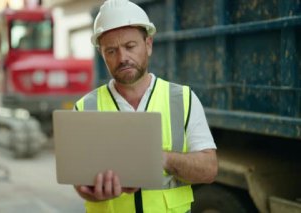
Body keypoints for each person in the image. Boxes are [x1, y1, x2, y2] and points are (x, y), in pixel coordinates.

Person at [73, 0, 218, 212]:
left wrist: (162, 159)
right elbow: (80, 183)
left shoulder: (182, 99)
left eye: (130, 46)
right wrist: (93, 192)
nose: (123, 58)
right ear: (102, 54)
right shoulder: (85, 108)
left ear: (148, 45)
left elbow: (209, 169)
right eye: (111, 51)